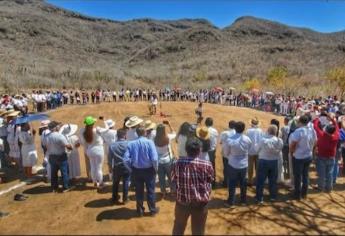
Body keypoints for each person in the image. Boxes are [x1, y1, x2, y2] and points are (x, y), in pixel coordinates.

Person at [171, 138, 214, 235]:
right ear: (199, 151)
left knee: (178, 227)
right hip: (200, 204)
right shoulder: (207, 165)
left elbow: (173, 180)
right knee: (198, 230)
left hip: (182, 203)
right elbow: (210, 181)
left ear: (186, 150)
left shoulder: (177, 163)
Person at [124, 126, 159, 217]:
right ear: (145, 133)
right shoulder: (150, 142)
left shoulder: (131, 144)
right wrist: (155, 169)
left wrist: (131, 169)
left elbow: (125, 160)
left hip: (136, 170)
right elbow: (154, 159)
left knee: (139, 191)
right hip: (149, 170)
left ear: (137, 133)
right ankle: (152, 210)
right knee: (150, 191)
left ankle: (140, 211)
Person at [289, 115, 317, 200]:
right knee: (305, 175)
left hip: (299, 156)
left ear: (300, 122)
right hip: (308, 155)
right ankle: (304, 194)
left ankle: (297, 194)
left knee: (298, 176)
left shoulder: (299, 131)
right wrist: (311, 149)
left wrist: (291, 151)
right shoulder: (312, 130)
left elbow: (293, 143)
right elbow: (316, 141)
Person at [225, 121, 252, 207]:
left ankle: (231, 202)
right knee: (243, 183)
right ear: (243, 129)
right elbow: (249, 148)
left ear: (235, 129)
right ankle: (243, 200)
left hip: (233, 163)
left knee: (232, 183)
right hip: (243, 164)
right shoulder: (247, 139)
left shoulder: (230, 139)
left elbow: (226, 152)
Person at [256, 125, 283, 203]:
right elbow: (279, 150)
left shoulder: (263, 140)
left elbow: (256, 150)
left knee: (260, 180)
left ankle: (259, 198)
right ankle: (273, 196)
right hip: (274, 161)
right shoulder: (279, 141)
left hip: (263, 161)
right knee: (273, 180)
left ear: (268, 131)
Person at [43, 121, 72, 192]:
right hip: (61, 156)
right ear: (55, 127)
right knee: (64, 172)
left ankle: (54, 187)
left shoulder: (46, 137)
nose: (59, 127)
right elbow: (67, 146)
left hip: (52, 157)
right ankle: (66, 187)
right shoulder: (60, 136)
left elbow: (45, 146)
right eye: (58, 126)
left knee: (53, 173)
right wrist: (71, 147)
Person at [313, 113, 339, 192]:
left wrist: (318, 118)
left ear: (327, 130)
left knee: (321, 173)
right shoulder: (336, 136)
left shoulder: (322, 135)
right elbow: (337, 127)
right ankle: (329, 188)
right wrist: (332, 120)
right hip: (331, 157)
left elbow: (316, 127)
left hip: (322, 156)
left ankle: (321, 187)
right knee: (329, 173)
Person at [108, 129, 131, 205]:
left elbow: (110, 159)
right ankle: (125, 198)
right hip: (126, 166)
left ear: (117, 135)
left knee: (115, 183)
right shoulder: (128, 144)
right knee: (126, 182)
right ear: (124, 135)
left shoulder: (112, 145)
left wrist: (110, 169)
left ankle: (114, 198)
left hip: (117, 166)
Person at [154, 121, 176, 197]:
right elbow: (174, 133)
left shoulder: (154, 138)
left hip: (159, 161)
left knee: (161, 177)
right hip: (168, 160)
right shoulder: (168, 137)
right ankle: (173, 191)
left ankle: (163, 192)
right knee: (170, 176)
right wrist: (169, 124)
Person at [246, 117, 263, 186]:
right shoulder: (260, 131)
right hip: (258, 151)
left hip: (250, 151)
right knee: (258, 167)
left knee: (250, 166)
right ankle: (257, 180)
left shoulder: (248, 131)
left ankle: (250, 180)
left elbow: (246, 140)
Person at [220, 120, 236, 187]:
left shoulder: (224, 133)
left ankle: (225, 182)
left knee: (226, 168)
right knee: (234, 168)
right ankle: (233, 182)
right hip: (234, 154)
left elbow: (220, 142)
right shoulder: (236, 133)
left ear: (229, 125)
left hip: (225, 153)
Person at [205, 117, 218, 187]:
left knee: (204, 166)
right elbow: (215, 141)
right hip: (212, 150)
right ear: (212, 123)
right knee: (212, 166)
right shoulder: (215, 131)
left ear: (205, 123)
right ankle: (213, 182)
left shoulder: (203, 130)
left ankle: (206, 181)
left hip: (205, 150)